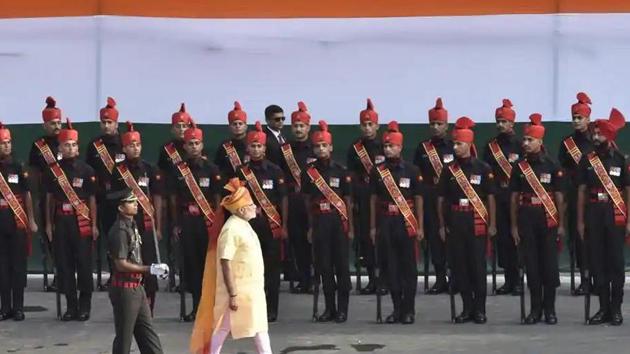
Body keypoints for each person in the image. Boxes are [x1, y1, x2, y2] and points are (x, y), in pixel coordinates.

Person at [190, 178, 272, 354]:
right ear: (242, 209)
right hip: (237, 292)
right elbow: (225, 262)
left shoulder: (245, 225)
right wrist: (233, 294)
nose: (254, 208)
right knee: (222, 328)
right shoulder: (231, 229)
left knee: (259, 328)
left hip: (251, 291)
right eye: (251, 205)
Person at [438, 117, 496, 324]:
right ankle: (466, 308)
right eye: (454, 143)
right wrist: (442, 224)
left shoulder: (483, 168)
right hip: (456, 221)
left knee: (477, 267)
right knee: (460, 267)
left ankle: (480, 309)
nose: (455, 147)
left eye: (459, 143)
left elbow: (490, 198)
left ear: (469, 144)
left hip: (476, 221)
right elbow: (441, 199)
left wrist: (493, 223)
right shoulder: (449, 170)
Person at [510, 114, 564, 325]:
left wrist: (560, 224)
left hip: (547, 220)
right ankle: (535, 310)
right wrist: (514, 226)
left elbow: (559, 196)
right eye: (524, 139)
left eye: (529, 140)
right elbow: (514, 198)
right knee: (531, 267)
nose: (525, 143)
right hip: (526, 220)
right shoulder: (519, 167)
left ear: (540, 141)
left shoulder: (552, 165)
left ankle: (549, 309)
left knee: (549, 268)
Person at [577, 108, 628, 326]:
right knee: (597, 264)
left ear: (609, 136)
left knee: (615, 264)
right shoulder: (587, 160)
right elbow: (580, 191)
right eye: (594, 134)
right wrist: (580, 221)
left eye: (599, 134)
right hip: (594, 214)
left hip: (615, 215)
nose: (595, 137)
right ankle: (603, 308)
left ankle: (616, 310)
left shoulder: (621, 160)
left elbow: (627, 190)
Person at [44, 119, 98, 321]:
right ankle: (71, 306)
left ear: (78, 147)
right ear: (60, 147)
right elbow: (49, 199)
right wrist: (49, 224)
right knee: (65, 266)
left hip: (81, 222)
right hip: (61, 221)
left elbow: (92, 199)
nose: (70, 148)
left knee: (84, 266)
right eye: (66, 145)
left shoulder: (87, 171)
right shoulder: (52, 171)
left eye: (74, 145)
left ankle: (85, 306)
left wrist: (94, 224)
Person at [168, 120, 222, 321]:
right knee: (191, 266)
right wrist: (175, 224)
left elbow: (218, 200)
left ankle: (212, 309)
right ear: (184, 146)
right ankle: (197, 307)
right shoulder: (178, 170)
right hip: (187, 222)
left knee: (209, 266)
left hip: (207, 223)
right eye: (190, 143)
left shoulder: (212, 169)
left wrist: (218, 224)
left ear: (202, 144)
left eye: (197, 143)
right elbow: (173, 200)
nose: (193, 147)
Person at [370, 121, 424, 324]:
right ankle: (396, 309)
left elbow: (418, 199)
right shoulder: (378, 171)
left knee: (408, 268)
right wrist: (374, 227)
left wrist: (419, 225)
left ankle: (409, 310)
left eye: (391, 146)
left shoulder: (412, 170)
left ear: (400, 147)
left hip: (406, 223)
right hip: (386, 222)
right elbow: (374, 200)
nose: (387, 149)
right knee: (391, 268)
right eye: (385, 146)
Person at [236, 121, 288, 322]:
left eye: (259, 146)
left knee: (272, 270)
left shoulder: (275, 171)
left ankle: (271, 309)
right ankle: (250, 309)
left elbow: (283, 199)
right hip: (249, 228)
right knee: (248, 269)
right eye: (253, 146)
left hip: (271, 227)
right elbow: (235, 199)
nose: (256, 149)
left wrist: (283, 224)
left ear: (264, 148)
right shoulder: (241, 172)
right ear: (248, 148)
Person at [110, 121, 164, 314]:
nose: (135, 148)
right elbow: (112, 198)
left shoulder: (149, 169)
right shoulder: (118, 171)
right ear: (124, 148)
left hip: (146, 223)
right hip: (128, 224)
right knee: (131, 262)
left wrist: (157, 225)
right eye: (131, 145)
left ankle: (150, 305)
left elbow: (157, 197)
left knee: (149, 262)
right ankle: (130, 303)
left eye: (137, 145)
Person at [303, 120, 354, 322]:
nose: (321, 149)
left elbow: (348, 202)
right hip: (319, 223)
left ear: (331, 147)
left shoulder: (341, 171)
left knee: (341, 268)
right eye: (317, 146)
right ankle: (329, 309)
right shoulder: (309, 173)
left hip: (338, 223)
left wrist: (350, 227)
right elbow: (307, 202)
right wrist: (309, 227)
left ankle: (343, 310)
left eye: (324, 145)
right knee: (324, 268)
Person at [107, 188, 168, 354]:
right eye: (131, 202)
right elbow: (121, 264)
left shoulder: (132, 225)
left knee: (149, 336)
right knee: (124, 340)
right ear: (121, 207)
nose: (136, 205)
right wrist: (150, 269)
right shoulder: (120, 231)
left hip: (137, 287)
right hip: (125, 289)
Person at [482, 99, 523, 295]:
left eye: (504, 121)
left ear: (512, 123)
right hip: (498, 197)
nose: (500, 124)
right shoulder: (491, 147)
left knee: (517, 238)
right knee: (503, 240)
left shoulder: (522, 144)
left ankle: (518, 279)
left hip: (516, 198)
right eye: (498, 121)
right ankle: (508, 278)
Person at [414, 98, 454, 294]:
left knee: (453, 238)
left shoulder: (455, 146)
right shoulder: (422, 148)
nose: (436, 127)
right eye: (433, 124)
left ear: (447, 125)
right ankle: (440, 279)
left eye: (439, 124)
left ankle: (455, 278)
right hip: (430, 199)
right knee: (434, 240)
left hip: (451, 199)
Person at [0, 122, 37, 321]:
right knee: (2, 268)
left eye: (8, 142)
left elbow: (27, 195)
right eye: (2, 143)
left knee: (18, 267)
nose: (6, 146)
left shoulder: (19, 166)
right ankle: (4, 308)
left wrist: (31, 220)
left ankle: (19, 307)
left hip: (17, 222)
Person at [86, 97, 124, 290]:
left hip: (123, 200)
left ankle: (124, 274)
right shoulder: (94, 146)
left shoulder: (125, 143)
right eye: (104, 122)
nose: (106, 125)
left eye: (110, 122)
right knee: (108, 239)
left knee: (123, 239)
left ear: (116, 123)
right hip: (102, 200)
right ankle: (111, 274)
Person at [347, 98, 384, 295]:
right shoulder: (355, 149)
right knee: (366, 241)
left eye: (371, 124)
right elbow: (350, 176)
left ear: (377, 126)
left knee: (383, 240)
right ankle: (372, 279)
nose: (367, 128)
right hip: (362, 198)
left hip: (383, 199)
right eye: (364, 125)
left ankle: (385, 279)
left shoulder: (384, 146)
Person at [559, 92, 594, 296]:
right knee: (579, 239)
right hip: (574, 196)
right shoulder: (567, 144)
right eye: (574, 118)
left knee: (597, 239)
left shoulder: (597, 140)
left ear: (588, 119)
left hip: (595, 197)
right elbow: (562, 171)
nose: (576, 121)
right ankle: (585, 279)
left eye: (579, 117)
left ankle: (599, 278)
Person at [280, 101, 316, 293]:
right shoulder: (285, 150)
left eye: (302, 125)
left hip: (313, 201)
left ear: (308, 127)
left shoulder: (316, 148)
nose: (299, 129)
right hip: (293, 201)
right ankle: (303, 278)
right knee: (297, 241)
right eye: (295, 126)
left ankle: (316, 277)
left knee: (314, 240)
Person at [28, 96, 63, 292]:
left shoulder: (68, 140)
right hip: (46, 197)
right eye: (53, 123)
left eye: (58, 122)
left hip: (68, 197)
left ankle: (68, 275)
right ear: (45, 125)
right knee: (50, 237)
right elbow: (33, 174)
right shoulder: (38, 146)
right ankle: (58, 274)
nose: (57, 126)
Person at [214, 101, 249, 179]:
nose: (237, 126)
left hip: (250, 186)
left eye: (240, 124)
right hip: (229, 186)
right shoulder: (224, 146)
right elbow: (218, 168)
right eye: (234, 124)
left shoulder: (252, 144)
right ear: (229, 127)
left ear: (246, 126)